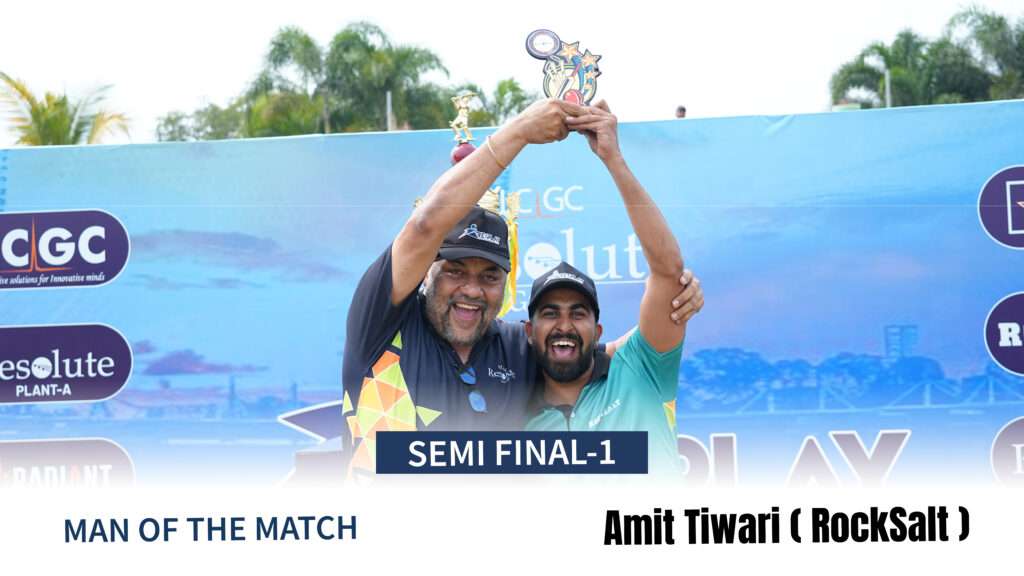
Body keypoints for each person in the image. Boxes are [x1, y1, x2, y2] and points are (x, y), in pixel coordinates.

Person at [341, 99, 700, 477]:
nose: (472, 290)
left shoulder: (517, 348)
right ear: (426, 272)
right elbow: (424, 226)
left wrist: (676, 295)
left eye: (489, 276)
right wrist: (521, 131)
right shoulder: (382, 323)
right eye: (455, 271)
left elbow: (603, 349)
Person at [525, 100, 700, 475]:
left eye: (578, 314)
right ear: (528, 331)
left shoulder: (638, 365)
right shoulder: (510, 415)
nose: (564, 325)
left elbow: (668, 272)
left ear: (599, 330)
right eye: (550, 313)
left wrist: (613, 159)